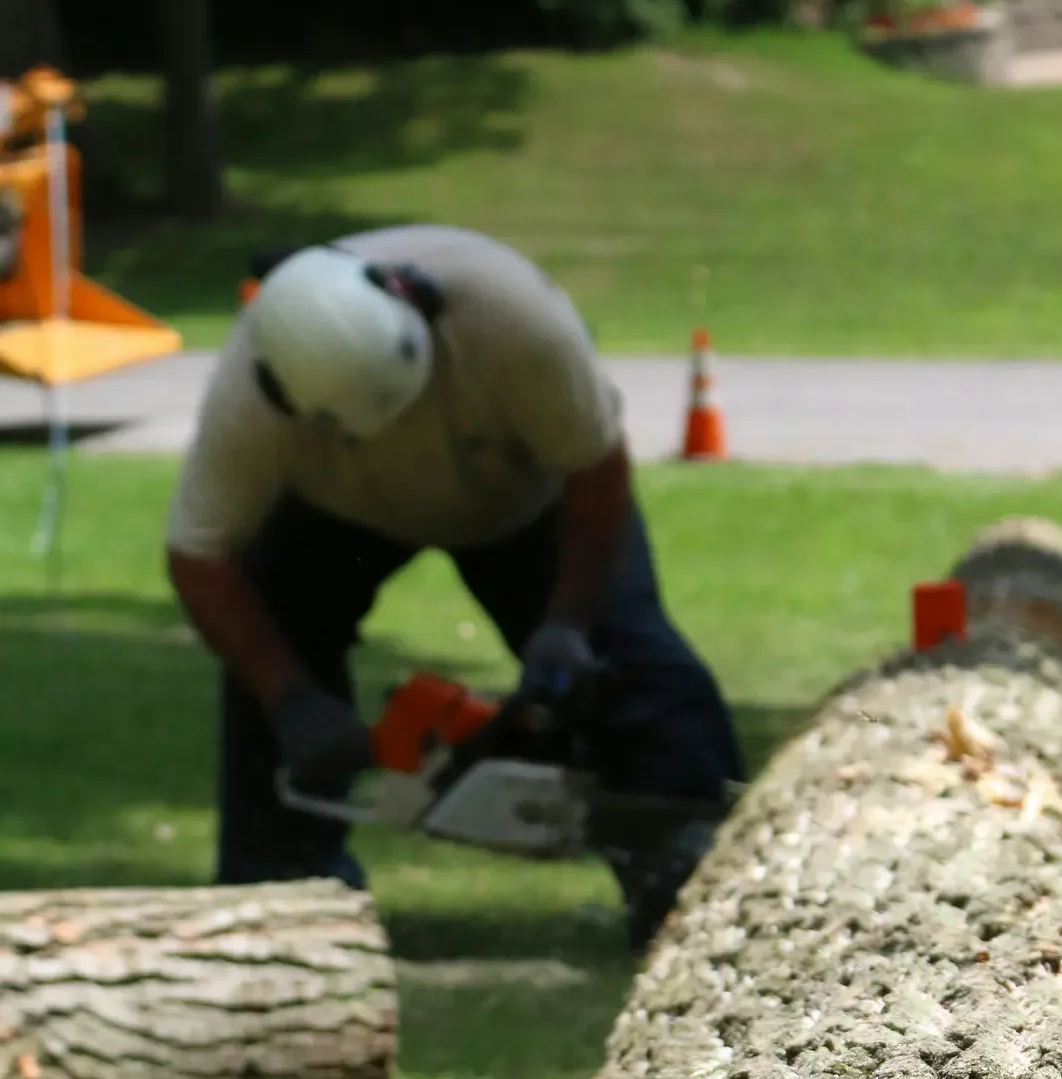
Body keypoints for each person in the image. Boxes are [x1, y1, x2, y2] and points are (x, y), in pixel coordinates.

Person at [165, 224, 743, 947]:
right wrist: (291, 699)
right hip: (338, 515)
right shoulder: (252, 385)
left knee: (634, 662)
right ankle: (279, 900)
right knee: (270, 648)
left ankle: (698, 878)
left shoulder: (517, 318)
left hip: (525, 503)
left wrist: (564, 623)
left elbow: (596, 468)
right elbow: (198, 555)